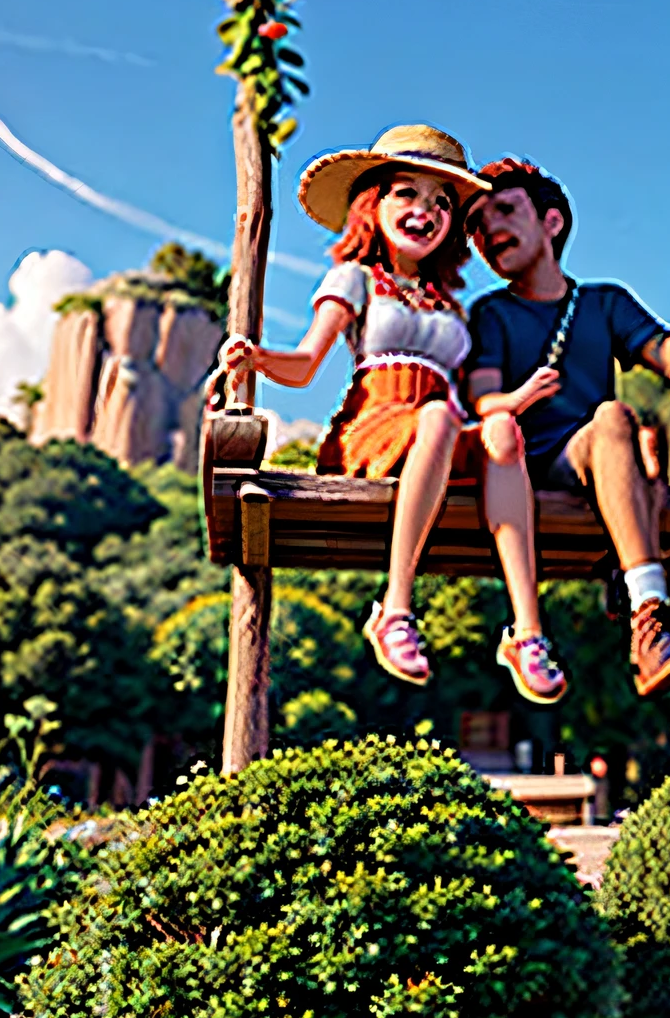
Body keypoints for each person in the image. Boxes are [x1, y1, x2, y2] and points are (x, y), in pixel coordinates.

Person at [220, 125, 565, 704]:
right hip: (372, 427)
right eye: (406, 193)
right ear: (372, 205)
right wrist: (254, 358)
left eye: (440, 203)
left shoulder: (450, 304)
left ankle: (527, 632)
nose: (423, 212)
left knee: (501, 430)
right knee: (436, 417)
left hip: (439, 430)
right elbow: (306, 364)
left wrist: (519, 398)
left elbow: (468, 400)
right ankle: (396, 608)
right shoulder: (355, 280)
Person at [464, 157, 670, 698]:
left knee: (622, 423)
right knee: (620, 425)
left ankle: (648, 619)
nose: (488, 229)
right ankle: (650, 607)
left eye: (504, 209)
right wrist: (521, 398)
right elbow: (484, 401)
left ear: (552, 222)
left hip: (594, 460)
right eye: (477, 223)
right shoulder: (491, 315)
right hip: (523, 465)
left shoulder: (603, 303)